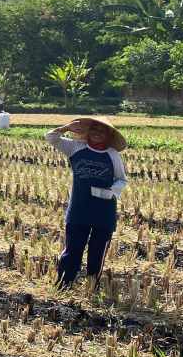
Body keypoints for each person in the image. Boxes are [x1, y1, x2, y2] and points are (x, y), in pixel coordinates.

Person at [46, 117, 128, 288]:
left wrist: (112, 191)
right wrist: (66, 127)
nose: (98, 133)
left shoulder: (112, 155)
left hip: (104, 210)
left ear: (109, 135)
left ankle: (92, 285)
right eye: (95, 129)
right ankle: (64, 284)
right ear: (88, 130)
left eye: (102, 130)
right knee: (73, 249)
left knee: (98, 252)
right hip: (79, 209)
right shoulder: (76, 147)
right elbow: (51, 137)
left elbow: (121, 180)